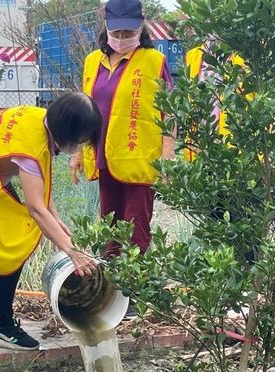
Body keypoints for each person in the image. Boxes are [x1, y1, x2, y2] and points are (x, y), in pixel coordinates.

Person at [0, 92, 102, 351]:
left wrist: (57, 220)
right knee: (14, 245)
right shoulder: (31, 149)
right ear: (67, 132)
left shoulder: (38, 119)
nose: (81, 146)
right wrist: (72, 251)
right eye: (81, 140)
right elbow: (35, 209)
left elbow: (42, 189)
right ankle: (2, 327)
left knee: (15, 237)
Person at [70, 0, 176, 255]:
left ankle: (133, 292)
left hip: (140, 161)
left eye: (128, 33)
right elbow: (85, 109)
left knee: (136, 232)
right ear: (106, 27)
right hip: (106, 158)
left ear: (141, 28)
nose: (122, 38)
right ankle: (111, 288)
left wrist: (167, 158)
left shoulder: (154, 61)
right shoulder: (93, 61)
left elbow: (170, 112)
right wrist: (76, 153)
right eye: (116, 32)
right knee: (110, 230)